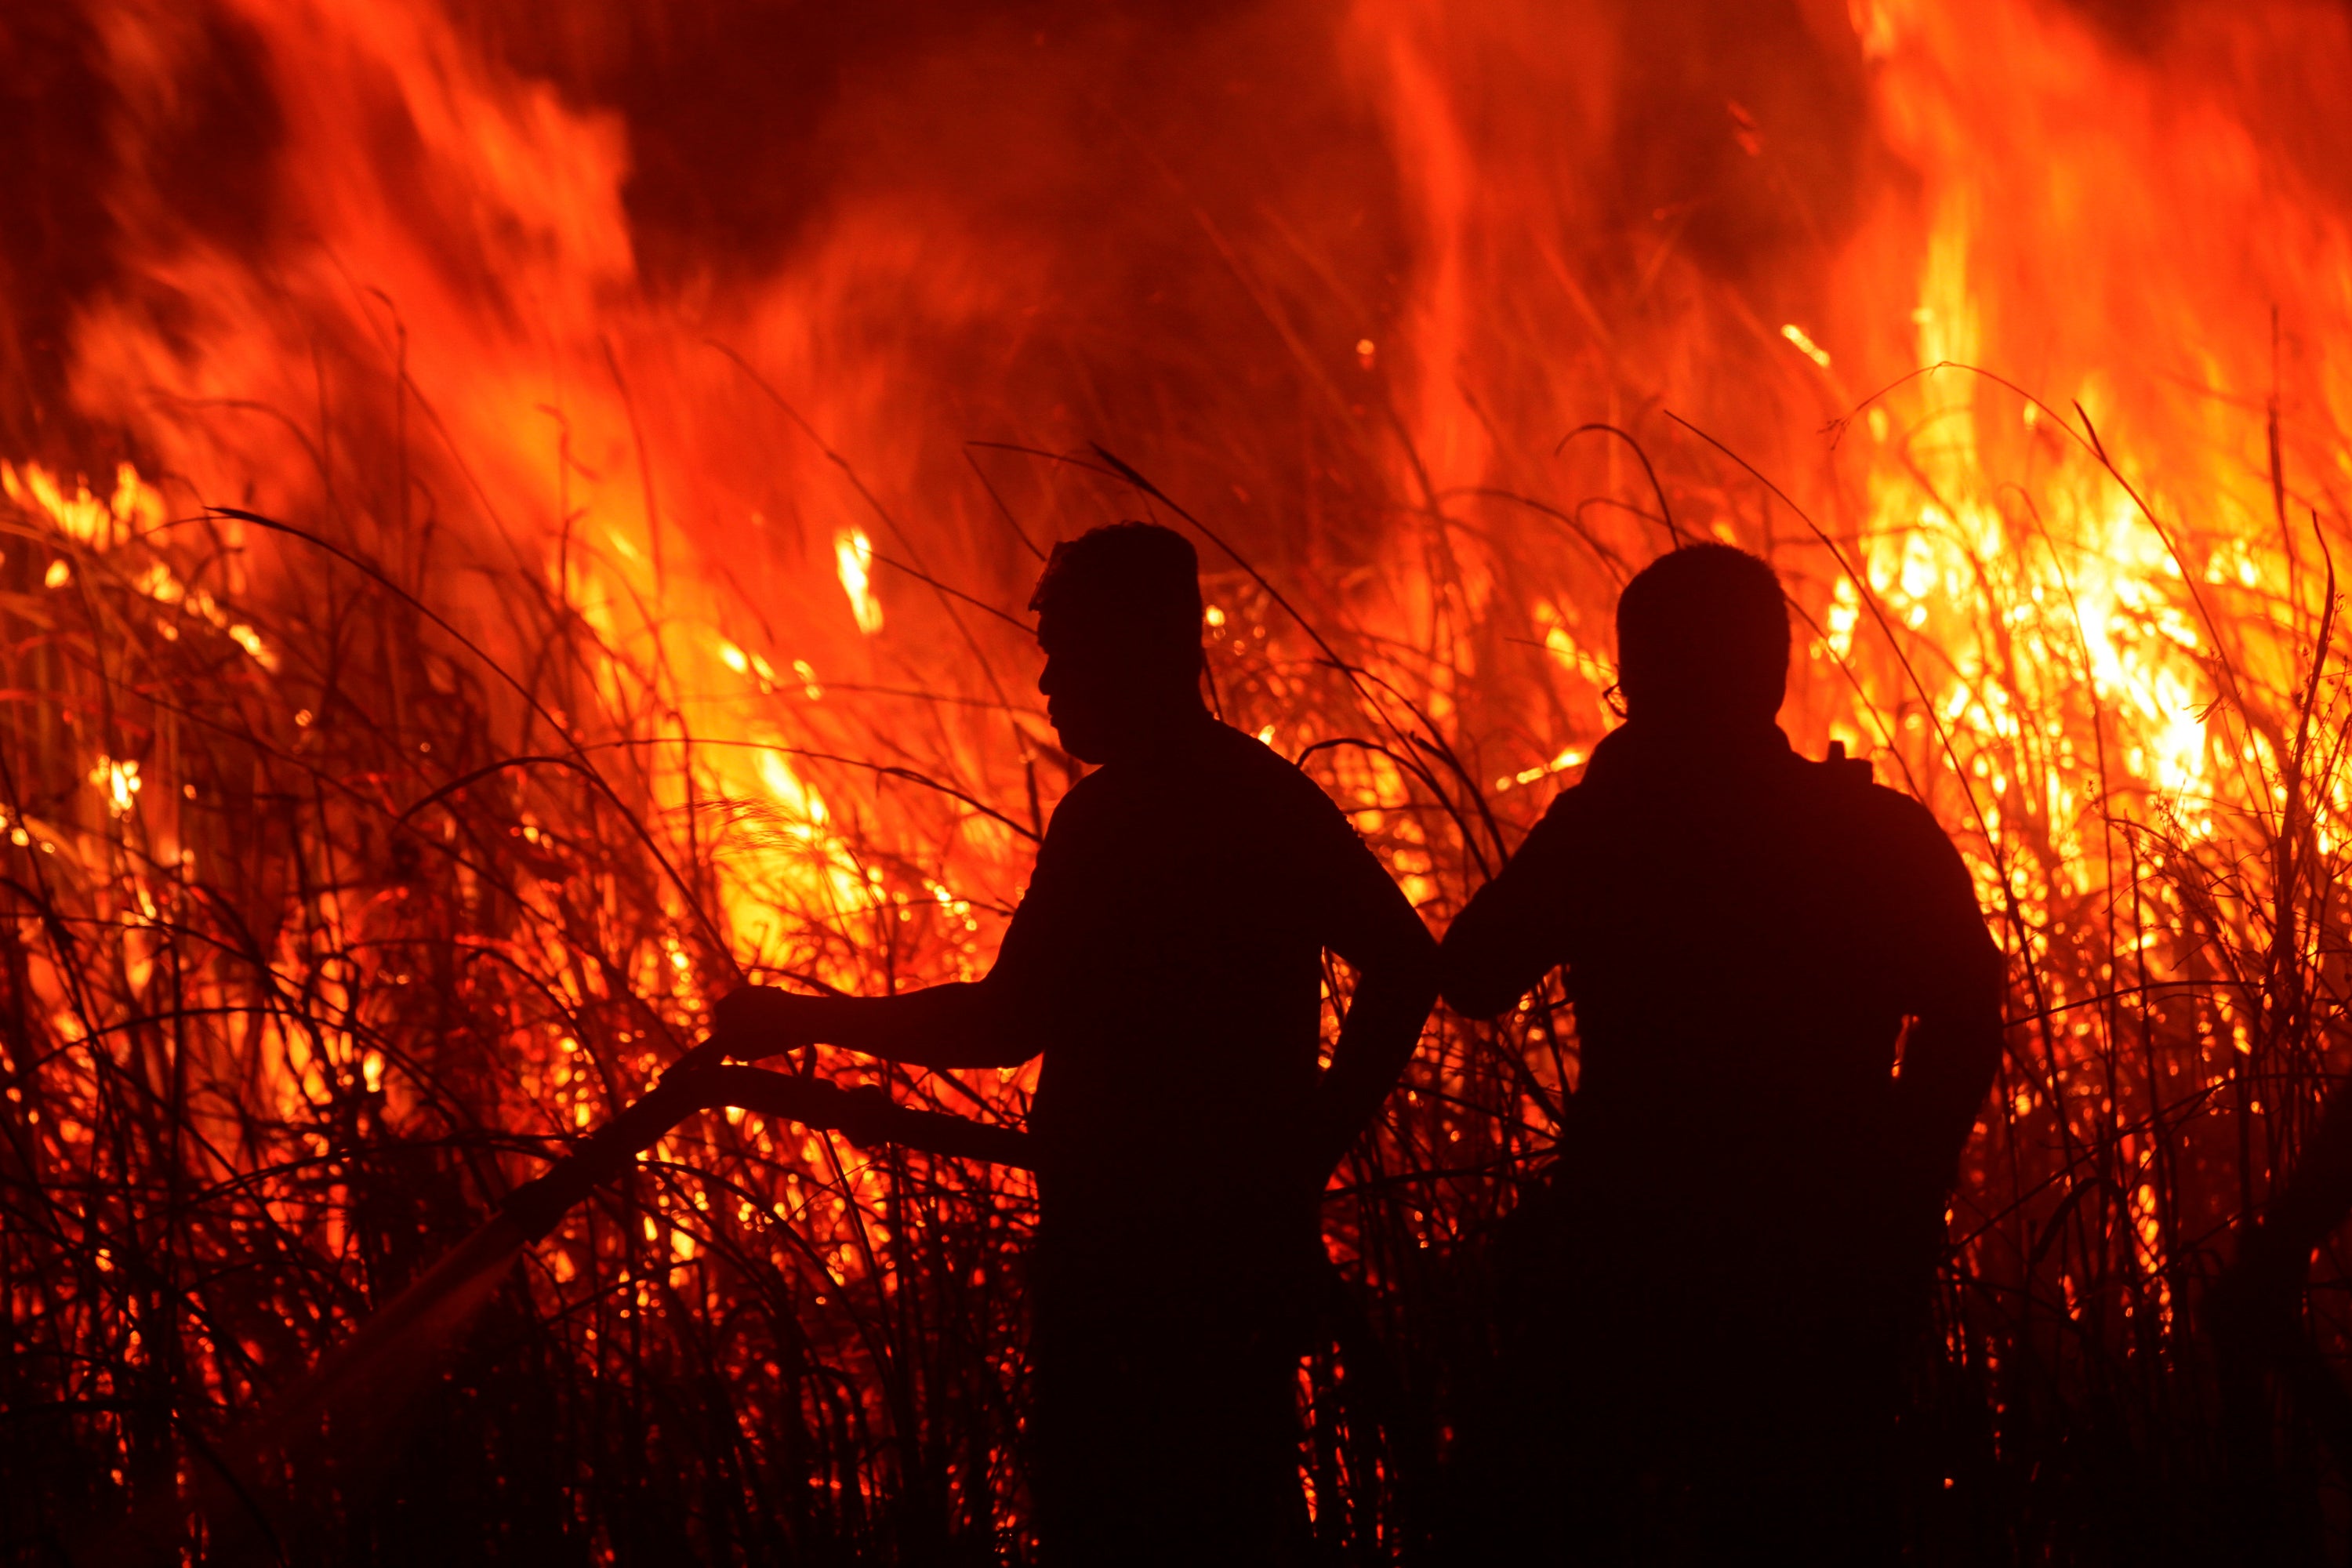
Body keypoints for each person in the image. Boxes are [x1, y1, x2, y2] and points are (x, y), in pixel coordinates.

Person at [713, 521, 1439, 1566]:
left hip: (1129, 1265)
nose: (1048, 680)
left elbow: (1004, 1022)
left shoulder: (1121, 816)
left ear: (1144, 646)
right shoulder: (1263, 793)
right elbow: (1410, 964)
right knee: (1237, 1514)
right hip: (1232, 1256)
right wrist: (1302, 1145)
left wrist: (805, 1018)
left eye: (1069, 649)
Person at [1439, 543, 2005, 1564]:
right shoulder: (1876, 833)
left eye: (1635, 683)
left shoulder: (1614, 829)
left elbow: (1473, 974)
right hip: (1824, 1254)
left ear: (1649, 680)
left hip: (1631, 1250)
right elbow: (1970, 1016)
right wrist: (1901, 1187)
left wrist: (1601, 795)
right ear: (1773, 677)